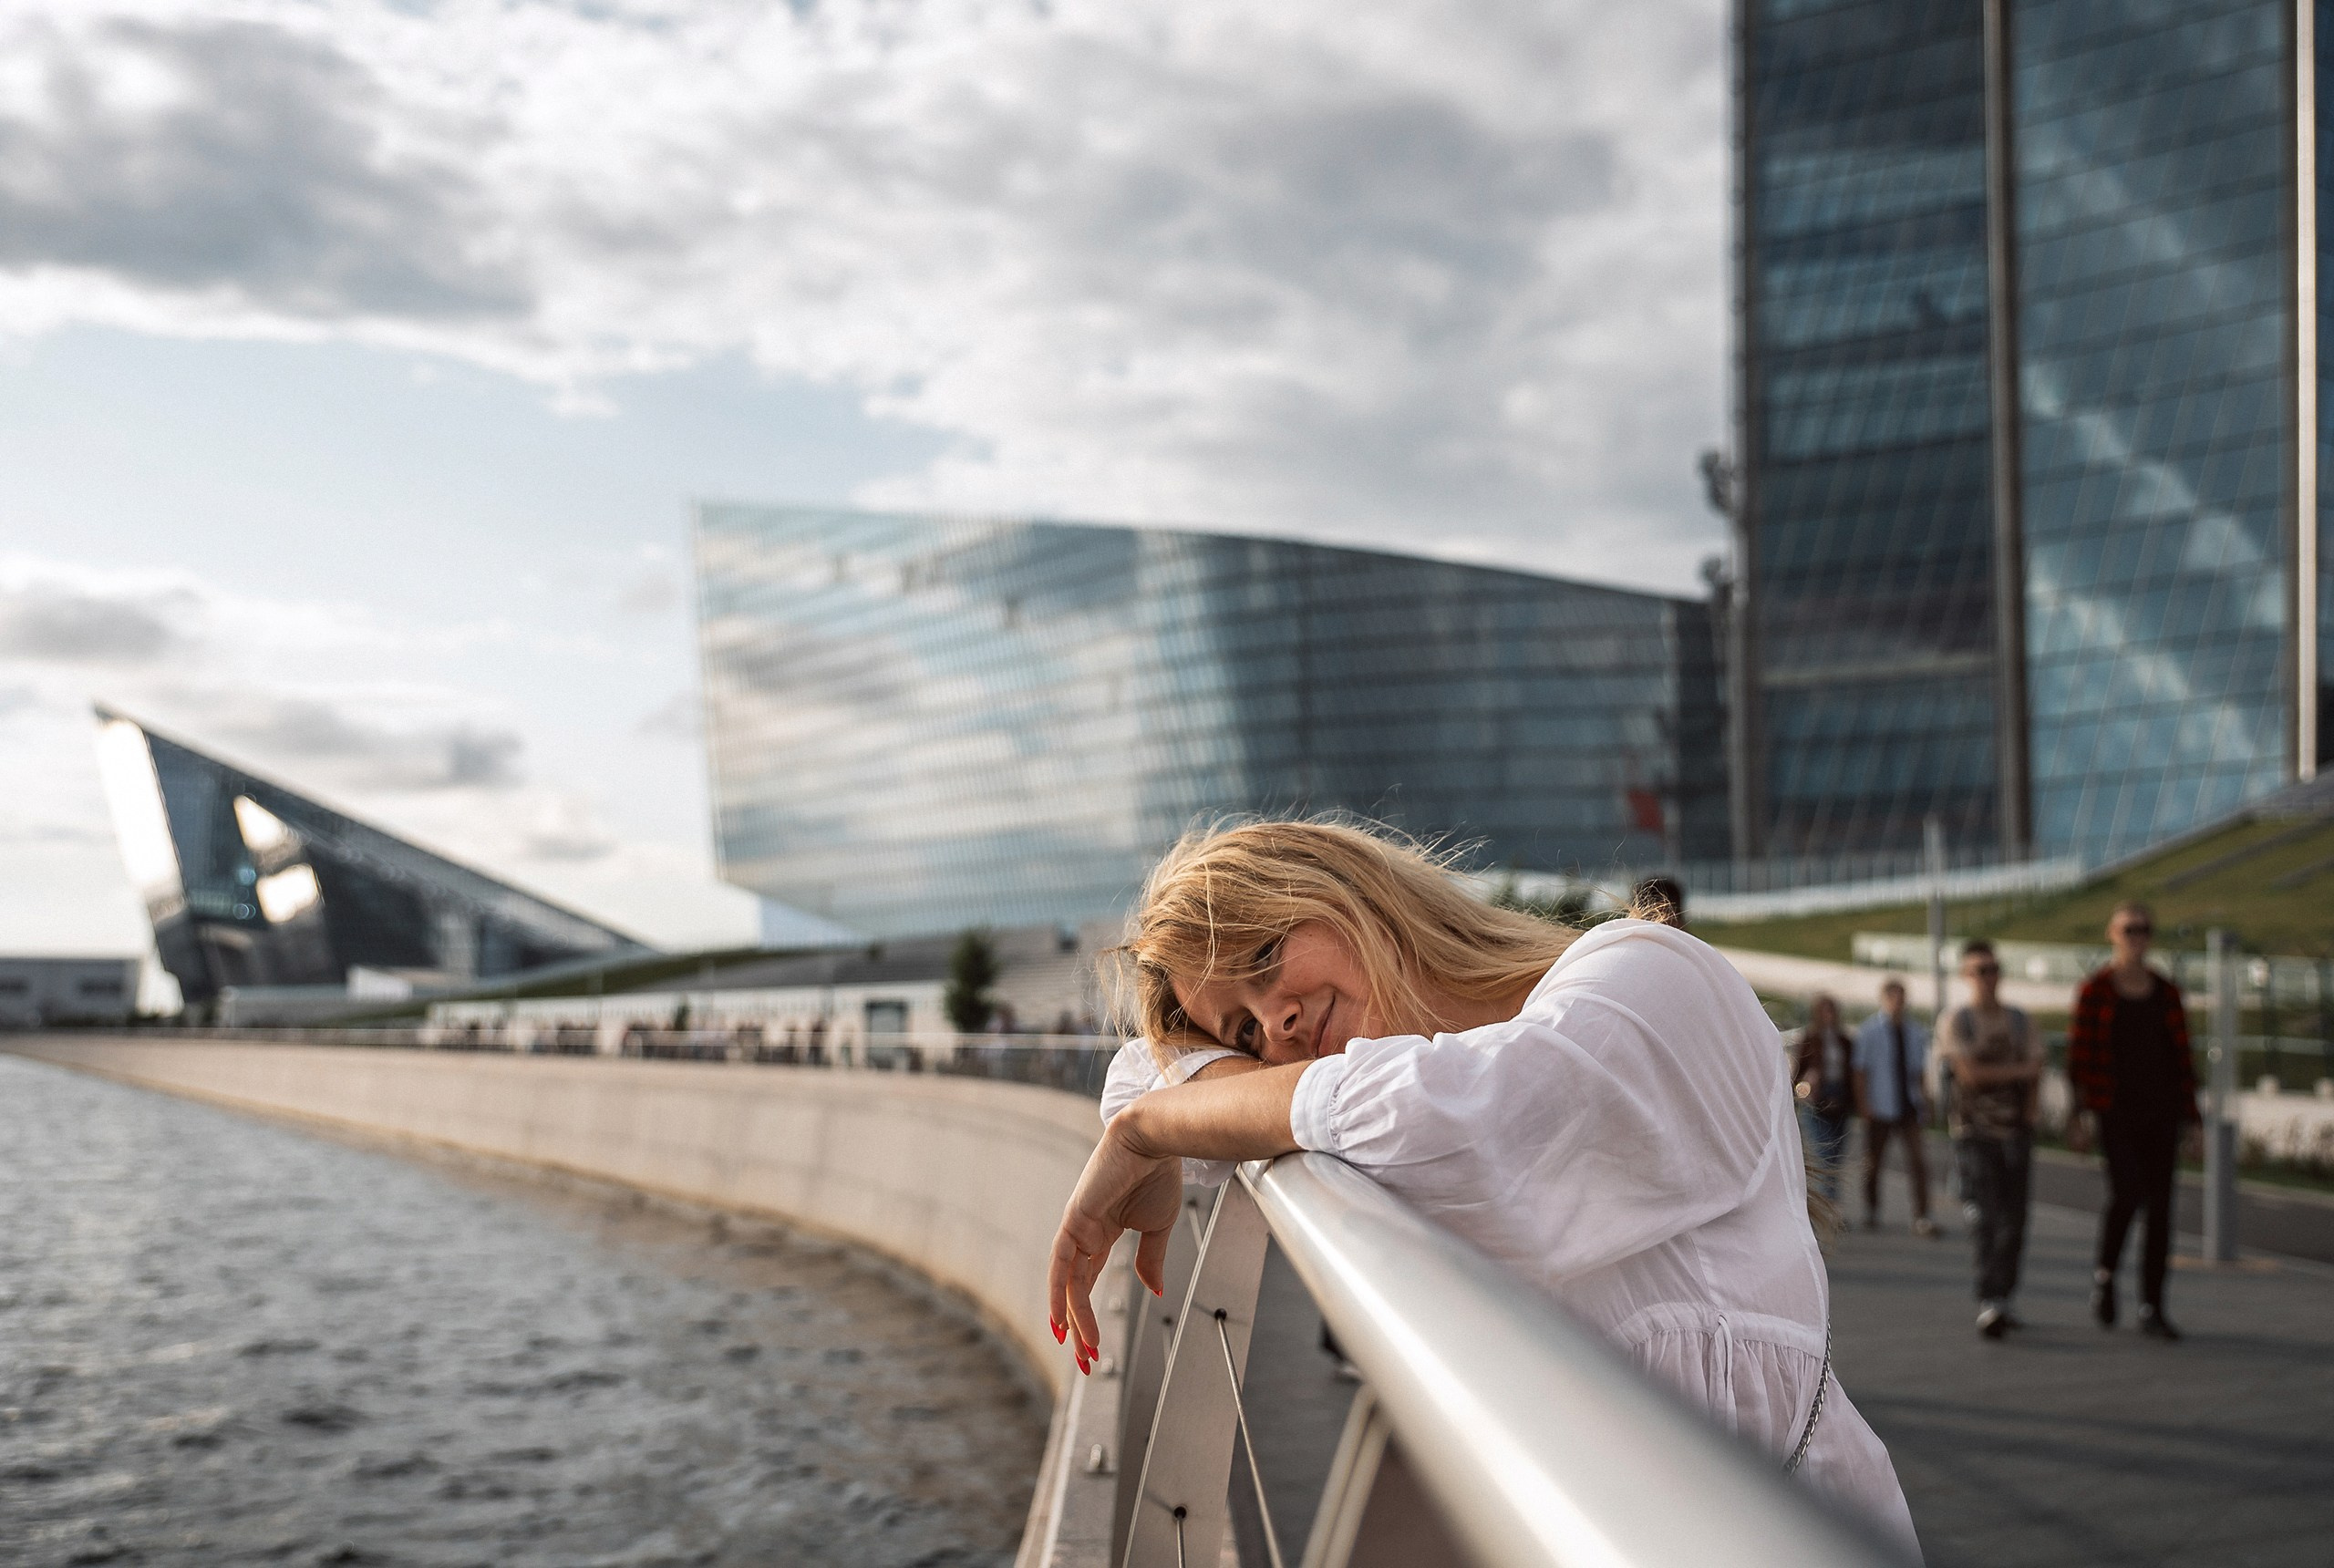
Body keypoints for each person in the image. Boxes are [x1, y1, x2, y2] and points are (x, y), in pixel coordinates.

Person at [1053, 820, 1918, 1553]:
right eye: (1243, 1028)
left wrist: (1157, 1131)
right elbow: (1144, 1068)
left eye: (1268, 953)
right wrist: (1163, 1113)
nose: (1274, 1020)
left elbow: (1486, 1122)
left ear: (1353, 890)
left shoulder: (1651, 975)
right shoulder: (1367, 1091)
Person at [2067, 902, 2200, 1341]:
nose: (2136, 937)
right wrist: (2078, 1117)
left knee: (2161, 1208)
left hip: (2162, 1113)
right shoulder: (2096, 990)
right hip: (2114, 1110)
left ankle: (2152, 1305)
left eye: (2143, 929)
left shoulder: (2166, 992)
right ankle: (2106, 1276)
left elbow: (2183, 1060)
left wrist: (2193, 1120)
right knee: (2127, 1194)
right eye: (2128, 929)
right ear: (2112, 933)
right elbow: (2078, 1060)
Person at [1935, 941, 2039, 1337]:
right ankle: (1989, 1298)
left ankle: (2005, 1296)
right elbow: (1970, 1075)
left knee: (2015, 1219)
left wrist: (2029, 1106)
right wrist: (2019, 1071)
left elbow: (2038, 1067)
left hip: (2016, 1132)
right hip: (1973, 1132)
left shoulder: (2018, 1020)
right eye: (1979, 970)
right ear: (1966, 976)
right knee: (1986, 1216)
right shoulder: (1957, 1021)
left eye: (1993, 969)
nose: (1988, 977)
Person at [1854, 980, 1936, 1236]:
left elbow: (1919, 1071)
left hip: (1908, 1105)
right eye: (1894, 998)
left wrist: (1925, 1100)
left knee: (1918, 1162)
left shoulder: (1914, 1032)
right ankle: (1872, 1208)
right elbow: (1860, 1071)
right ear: (1885, 999)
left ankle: (1922, 1214)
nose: (1898, 1004)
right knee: (1874, 1161)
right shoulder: (1870, 1031)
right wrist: (1864, 1104)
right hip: (1880, 1105)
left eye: (1902, 998)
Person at [1792, 994, 1855, 1202]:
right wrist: (1805, 1089)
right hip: (1816, 1100)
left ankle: (1830, 1203)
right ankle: (1825, 1203)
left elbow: (1852, 1072)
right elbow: (1798, 1073)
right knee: (1822, 1152)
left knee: (1835, 1155)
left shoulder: (1844, 1040)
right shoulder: (1810, 1038)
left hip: (1839, 1097)